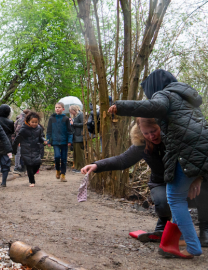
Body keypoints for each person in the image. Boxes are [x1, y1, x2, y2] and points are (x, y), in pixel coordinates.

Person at [108, 69, 207, 258]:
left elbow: (152, 106)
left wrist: (120, 106)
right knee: (174, 195)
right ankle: (171, 242)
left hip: (184, 151)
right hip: (198, 151)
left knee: (175, 198)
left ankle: (193, 246)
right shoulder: (186, 98)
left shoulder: (165, 94)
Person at [82, 118, 208, 247]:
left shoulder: (177, 139)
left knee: (204, 188)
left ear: (161, 127)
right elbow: (122, 160)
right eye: (146, 133)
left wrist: (199, 178)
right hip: (161, 183)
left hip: (187, 181)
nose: (151, 136)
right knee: (163, 201)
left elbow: (202, 158)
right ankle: (164, 222)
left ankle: (205, 228)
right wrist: (96, 165)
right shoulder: (143, 144)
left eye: (154, 131)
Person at [13, 112, 46, 187]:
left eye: (36, 122)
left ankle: (30, 174)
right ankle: (32, 182)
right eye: (32, 122)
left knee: (37, 164)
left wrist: (44, 140)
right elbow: (17, 139)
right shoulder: (24, 129)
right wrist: (14, 149)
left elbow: (40, 137)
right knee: (29, 166)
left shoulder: (39, 128)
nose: (34, 124)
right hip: (26, 150)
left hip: (35, 149)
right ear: (28, 121)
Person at [46, 102, 73, 182]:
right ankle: (57, 170)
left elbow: (69, 131)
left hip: (64, 142)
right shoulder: (52, 118)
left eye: (59, 107)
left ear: (63, 109)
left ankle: (63, 174)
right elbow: (48, 131)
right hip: (55, 142)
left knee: (64, 159)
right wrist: (48, 141)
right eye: (56, 107)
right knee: (57, 157)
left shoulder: (66, 119)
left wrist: (69, 140)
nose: (57, 109)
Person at [0, 104, 14, 187]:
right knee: (5, 163)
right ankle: (3, 182)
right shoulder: (10, 122)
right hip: (6, 144)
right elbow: (12, 133)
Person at [69, 105, 84, 172]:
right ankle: (77, 166)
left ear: (74, 110)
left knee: (79, 153)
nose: (71, 112)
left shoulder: (81, 114)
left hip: (79, 136)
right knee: (76, 153)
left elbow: (83, 124)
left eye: (71, 111)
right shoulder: (74, 116)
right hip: (75, 136)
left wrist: (73, 123)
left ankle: (80, 167)